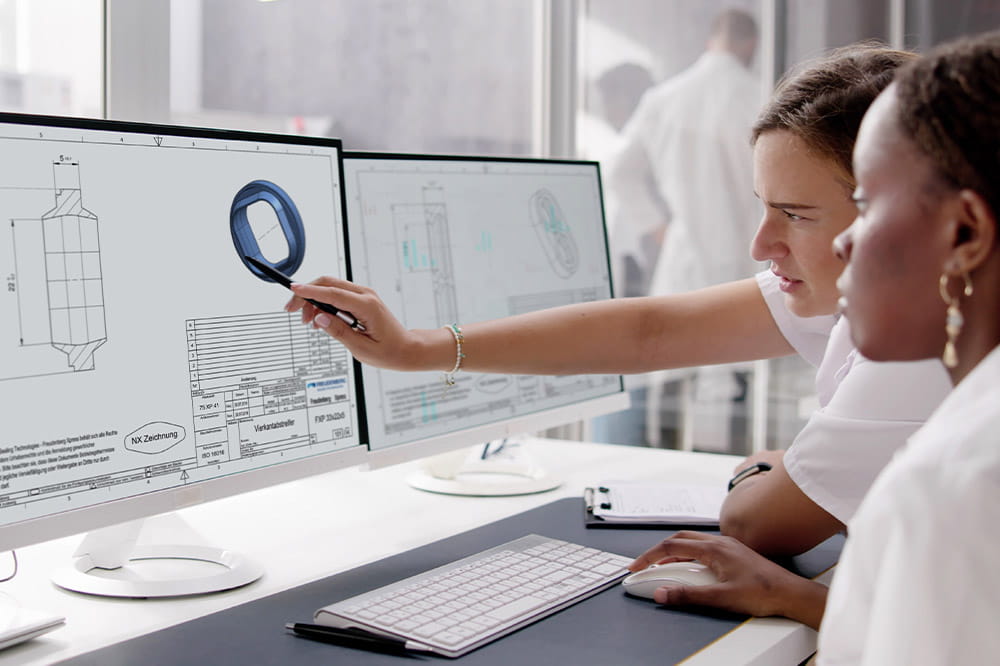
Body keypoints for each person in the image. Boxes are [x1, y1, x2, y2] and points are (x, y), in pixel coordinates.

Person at [285, 44, 950, 558]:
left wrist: (776, 467)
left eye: (796, 215)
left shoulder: (917, 347)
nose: (760, 244)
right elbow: (651, 331)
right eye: (763, 208)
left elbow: (757, 522)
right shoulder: (884, 297)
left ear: (900, 213)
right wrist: (418, 348)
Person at [628, 31, 1000, 663]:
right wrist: (804, 601)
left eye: (869, 205)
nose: (849, 242)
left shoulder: (952, 483)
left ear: (965, 232)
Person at [601, 9, 762, 448]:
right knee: (734, 383)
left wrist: (658, 227)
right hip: (744, 259)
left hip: (684, 255)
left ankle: (666, 477)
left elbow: (619, 172)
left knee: (672, 380)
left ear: (711, 40)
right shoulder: (759, 98)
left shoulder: (665, 98)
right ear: (750, 46)